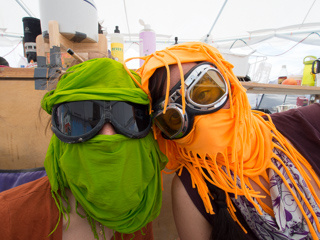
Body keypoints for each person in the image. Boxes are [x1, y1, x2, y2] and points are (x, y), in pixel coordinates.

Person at [124, 42, 320, 240]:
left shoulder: (310, 122)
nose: (202, 121)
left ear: (229, 81)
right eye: (174, 118)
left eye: (205, 92)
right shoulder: (191, 189)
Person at [0, 58, 168, 240]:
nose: (108, 135)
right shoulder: (8, 217)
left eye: (128, 118)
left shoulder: (137, 211)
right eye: (85, 120)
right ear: (58, 132)